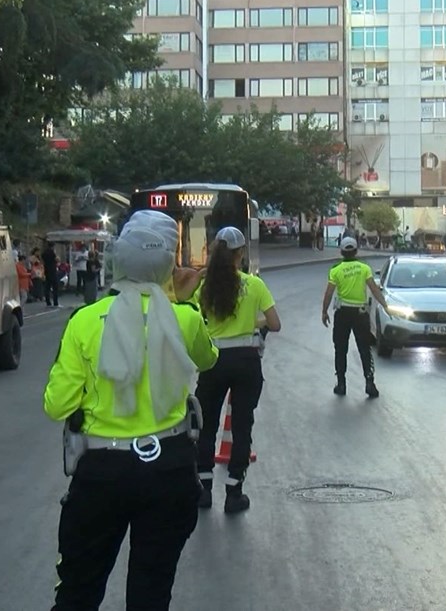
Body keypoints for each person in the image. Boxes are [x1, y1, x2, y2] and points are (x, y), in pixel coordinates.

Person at [43, 210, 218, 611]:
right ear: (166, 267)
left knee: (78, 590)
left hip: (102, 472)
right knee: (152, 592)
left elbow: (57, 405)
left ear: (117, 260)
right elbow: (206, 360)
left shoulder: (84, 322)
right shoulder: (184, 320)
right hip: (169, 470)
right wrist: (181, 298)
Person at [193, 227, 281, 513]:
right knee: (242, 426)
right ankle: (234, 493)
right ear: (241, 253)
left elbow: (194, 320)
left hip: (213, 360)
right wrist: (252, 324)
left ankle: (204, 490)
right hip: (246, 362)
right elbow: (275, 323)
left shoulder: (204, 287)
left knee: (206, 424)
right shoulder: (254, 285)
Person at [321, 237, 389, 398]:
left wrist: (324, 312)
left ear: (342, 252)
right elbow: (373, 288)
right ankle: (370, 382)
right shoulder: (364, 268)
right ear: (356, 251)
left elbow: (329, 293)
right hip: (360, 314)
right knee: (364, 349)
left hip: (343, 313)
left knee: (340, 349)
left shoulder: (335, 270)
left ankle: (341, 384)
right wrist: (385, 305)